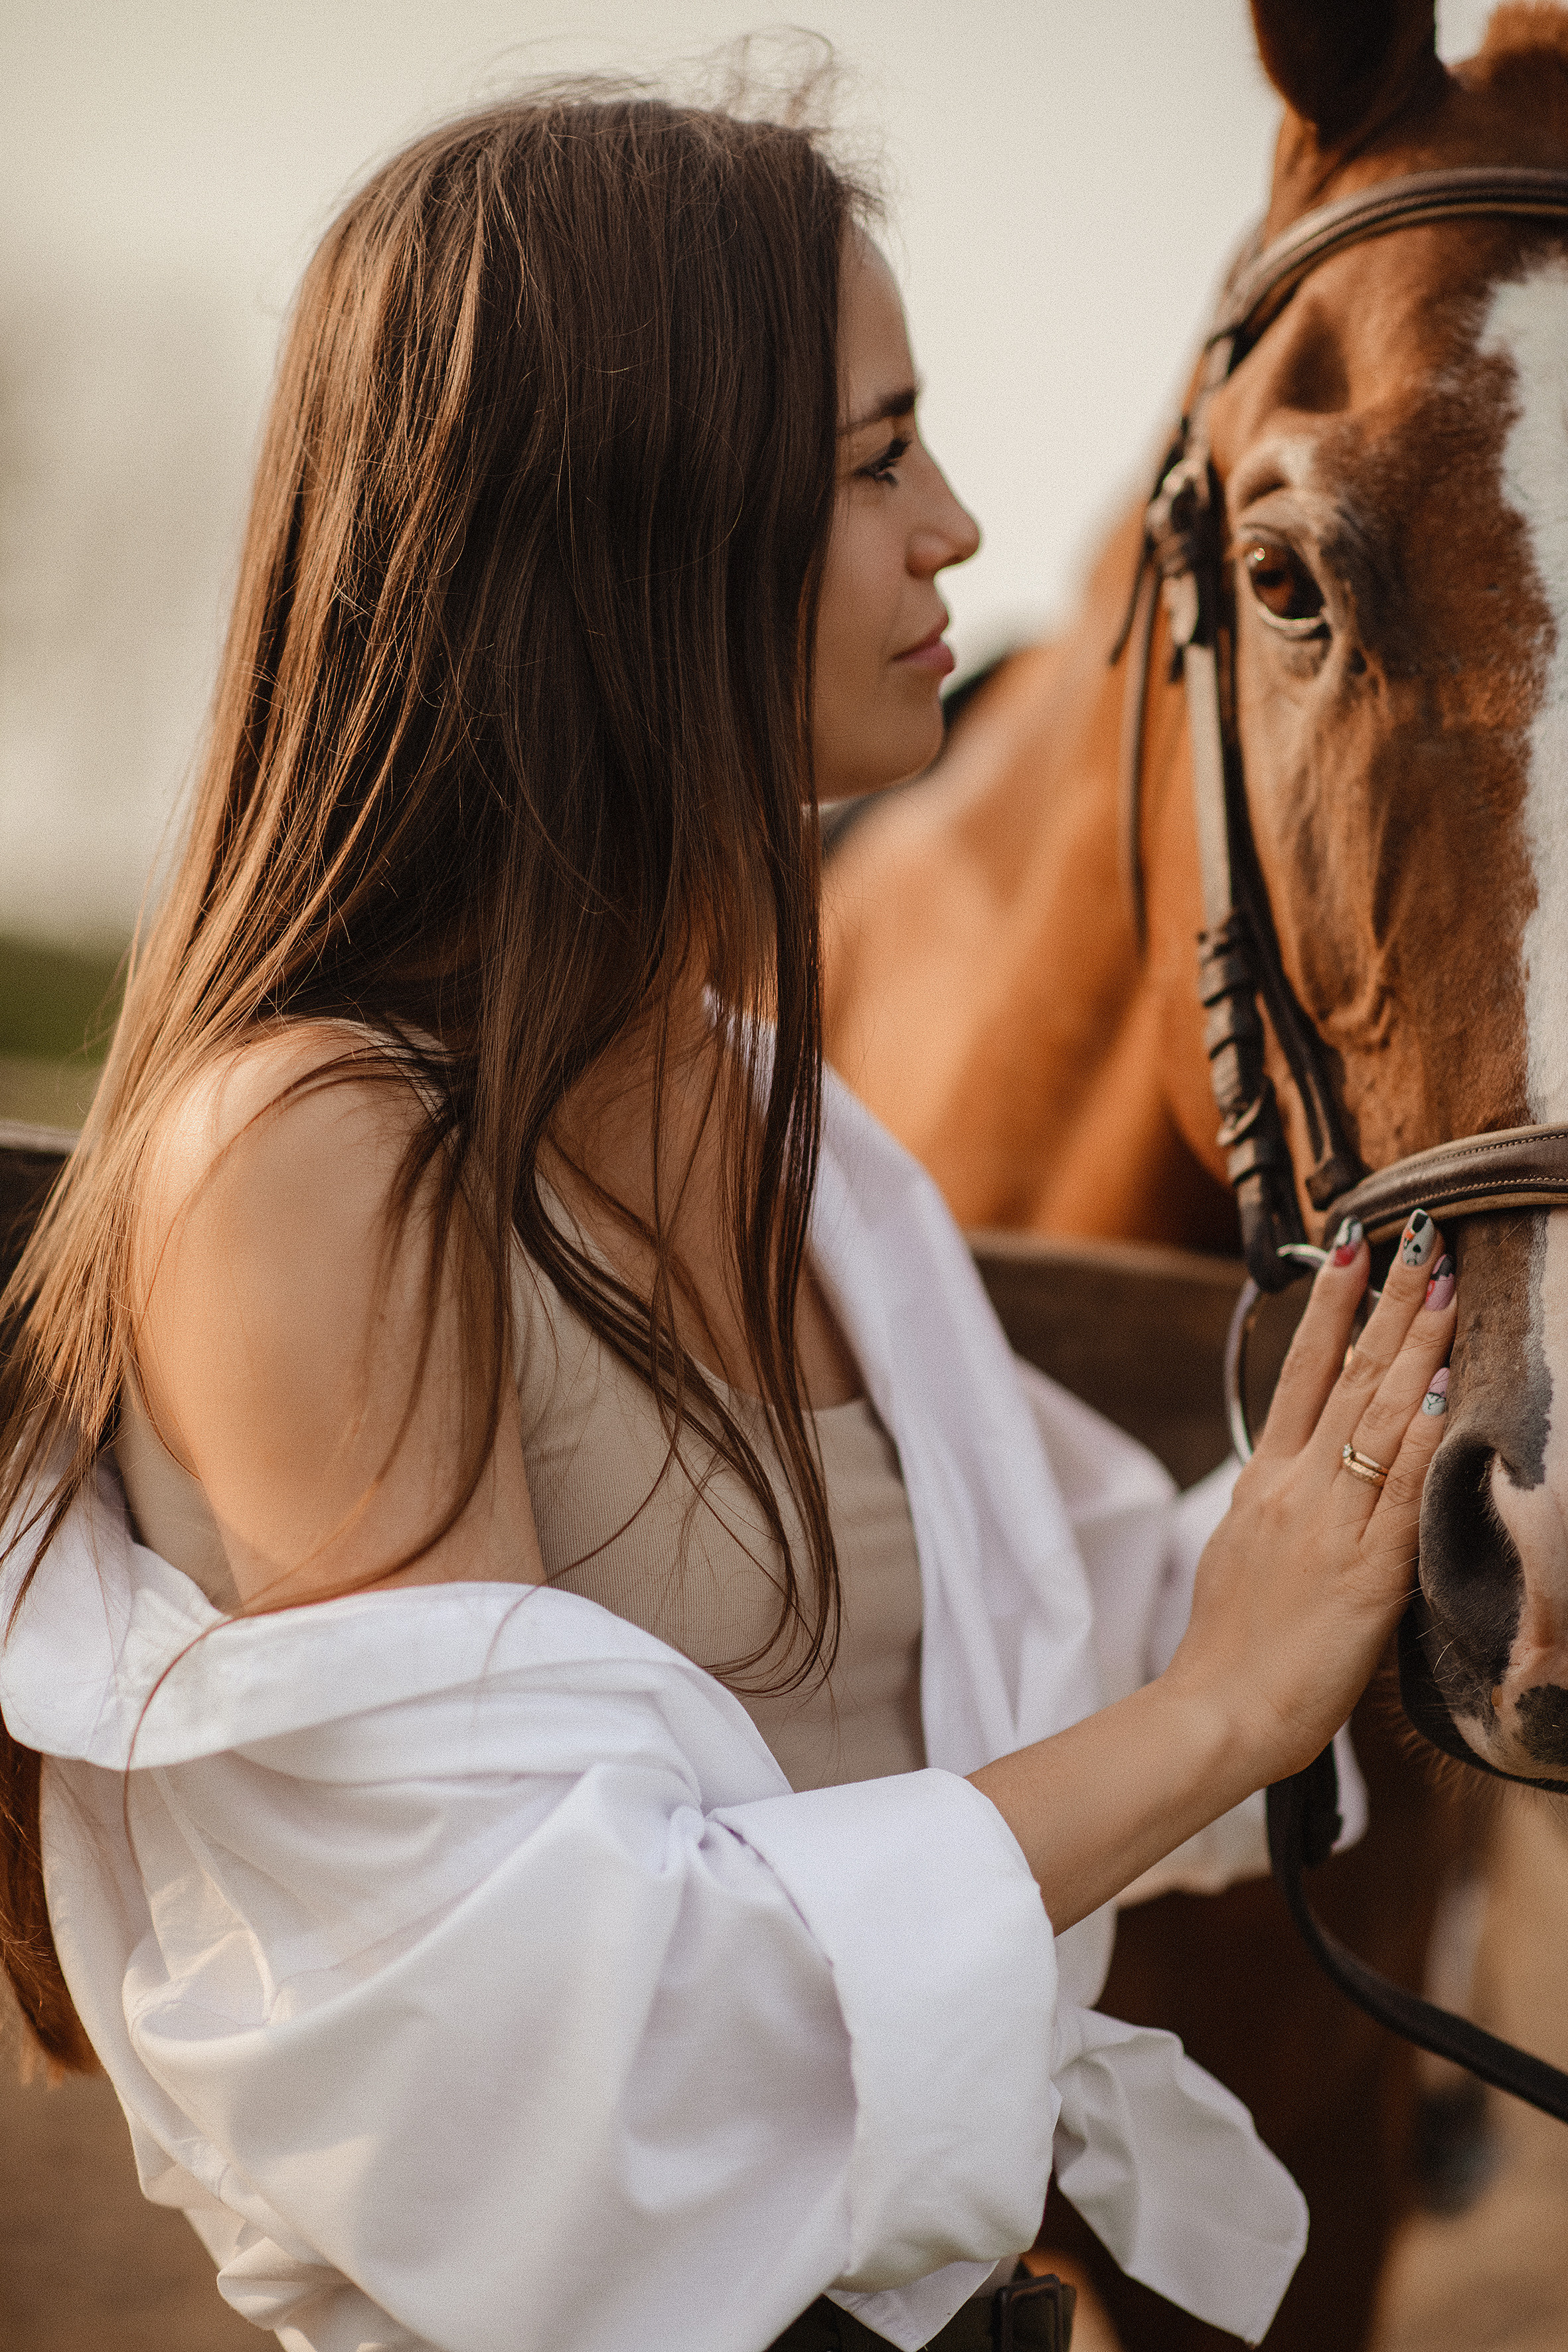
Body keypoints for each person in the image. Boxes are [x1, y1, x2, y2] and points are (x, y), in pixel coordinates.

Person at [0, 88, 1455, 2352]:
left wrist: (1432, 1459)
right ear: (621, 526)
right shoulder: (314, 1156)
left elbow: (1026, 1680)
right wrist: (1219, 1716)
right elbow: (533, 2041)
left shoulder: (775, 1114)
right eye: (876, 460)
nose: (957, 527)